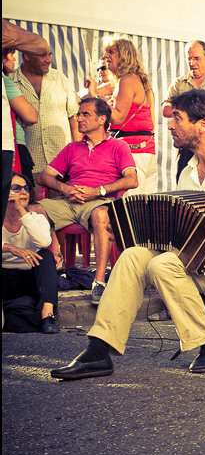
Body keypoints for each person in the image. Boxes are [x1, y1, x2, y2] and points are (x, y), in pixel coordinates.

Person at [51, 89, 205, 380]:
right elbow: (176, 229)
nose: (170, 125)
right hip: (185, 257)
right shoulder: (189, 171)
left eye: (177, 119)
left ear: (202, 125)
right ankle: (98, 350)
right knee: (133, 256)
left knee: (161, 264)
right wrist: (124, 230)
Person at [36, 97, 138, 305]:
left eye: (85, 114)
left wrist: (97, 191)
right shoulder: (72, 148)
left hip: (99, 201)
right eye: (78, 114)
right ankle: (48, 272)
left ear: (102, 119)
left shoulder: (118, 146)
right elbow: (43, 177)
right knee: (32, 211)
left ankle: (99, 282)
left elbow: (132, 180)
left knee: (101, 215)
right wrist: (65, 188)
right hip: (69, 201)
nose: (79, 118)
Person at [86, 34, 157, 196]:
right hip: (146, 151)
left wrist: (98, 100)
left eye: (111, 52)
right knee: (143, 209)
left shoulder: (126, 80)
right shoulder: (139, 79)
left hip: (133, 155)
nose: (106, 56)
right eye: (106, 52)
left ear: (123, 55)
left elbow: (117, 117)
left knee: (127, 208)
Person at [8, 36, 80, 184]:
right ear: (27, 55)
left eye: (49, 54)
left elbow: (74, 118)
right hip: (28, 167)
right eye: (42, 55)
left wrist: (79, 157)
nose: (48, 60)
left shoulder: (60, 78)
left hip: (62, 168)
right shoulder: (11, 81)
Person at [2, 172, 59, 333]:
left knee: (46, 256)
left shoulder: (36, 218)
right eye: (16, 188)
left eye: (26, 188)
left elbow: (43, 242)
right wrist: (11, 248)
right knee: (20, 319)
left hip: (29, 279)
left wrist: (20, 209)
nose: (23, 192)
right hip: (4, 279)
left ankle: (47, 316)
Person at [163, 41, 205, 181]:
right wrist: (201, 109)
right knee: (184, 182)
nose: (192, 62)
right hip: (186, 144)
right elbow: (166, 110)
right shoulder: (179, 83)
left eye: (196, 58)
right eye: (189, 58)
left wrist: (182, 108)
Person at [4, 48, 39, 187]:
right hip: (13, 147)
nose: (14, 59)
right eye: (11, 54)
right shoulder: (5, 82)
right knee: (20, 193)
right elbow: (31, 116)